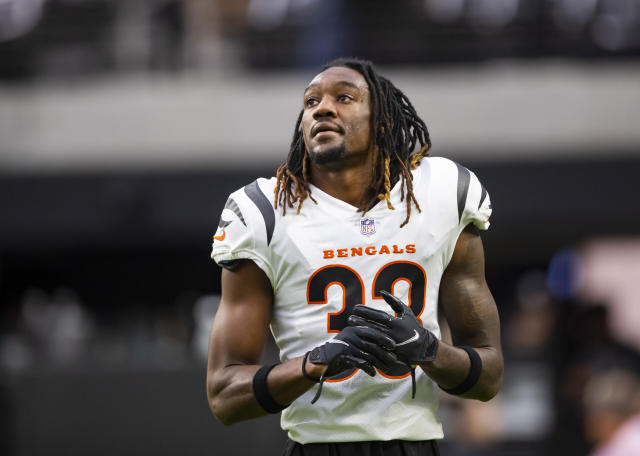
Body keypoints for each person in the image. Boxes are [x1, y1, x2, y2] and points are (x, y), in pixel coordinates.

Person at [207, 57, 503, 455]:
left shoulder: (444, 192)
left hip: (415, 444)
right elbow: (224, 396)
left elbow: (489, 376)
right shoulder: (262, 210)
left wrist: (430, 351)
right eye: (311, 102)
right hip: (318, 446)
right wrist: (314, 363)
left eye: (344, 97)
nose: (322, 108)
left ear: (381, 120)